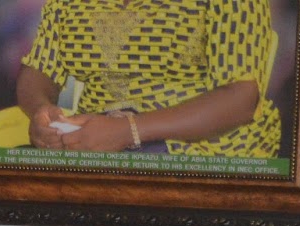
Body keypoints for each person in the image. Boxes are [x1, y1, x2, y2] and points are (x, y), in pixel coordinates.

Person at [18, 0, 282, 158]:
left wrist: (128, 131)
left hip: (199, 151)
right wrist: (42, 111)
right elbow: (39, 69)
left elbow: (241, 99)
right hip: (95, 144)